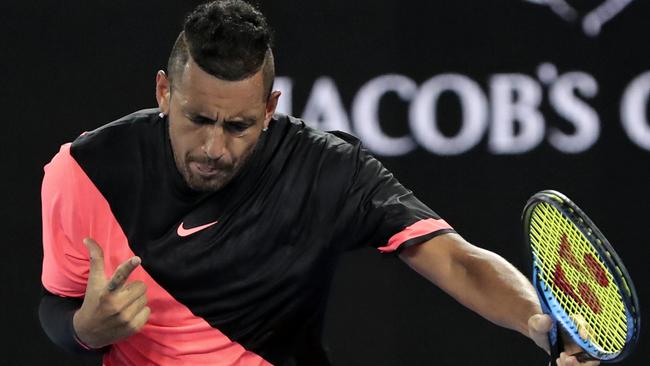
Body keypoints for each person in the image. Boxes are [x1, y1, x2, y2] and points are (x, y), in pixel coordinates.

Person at [38, 1, 599, 365]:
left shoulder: (326, 169)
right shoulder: (84, 173)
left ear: (269, 107)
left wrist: (535, 321)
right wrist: (87, 329)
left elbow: (458, 259)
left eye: (237, 126)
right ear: (163, 92)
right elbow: (55, 310)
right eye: (197, 120)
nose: (213, 147)